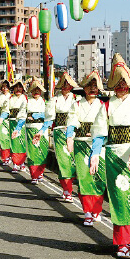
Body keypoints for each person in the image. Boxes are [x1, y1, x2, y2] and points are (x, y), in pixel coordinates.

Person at [90, 54, 130, 258]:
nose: (122, 86)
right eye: (118, 83)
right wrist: (95, 154)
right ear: (114, 85)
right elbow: (99, 133)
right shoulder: (106, 106)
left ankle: (129, 237)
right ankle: (122, 243)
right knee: (121, 200)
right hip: (114, 157)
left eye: (125, 83)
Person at [67, 70, 106, 224]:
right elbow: (71, 122)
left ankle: (96, 209)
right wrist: (70, 136)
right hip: (82, 144)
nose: (92, 89)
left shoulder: (103, 105)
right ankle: (87, 211)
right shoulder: (76, 105)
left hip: (99, 146)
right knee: (84, 178)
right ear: (84, 88)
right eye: (89, 86)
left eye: (95, 86)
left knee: (99, 178)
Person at [49, 72, 78, 202]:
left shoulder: (76, 99)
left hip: (72, 134)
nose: (66, 87)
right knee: (63, 162)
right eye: (64, 85)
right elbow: (50, 118)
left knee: (72, 162)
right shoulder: (54, 99)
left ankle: (69, 188)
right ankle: (66, 189)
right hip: (59, 132)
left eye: (68, 85)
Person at [25, 78, 51, 184]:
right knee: (32, 152)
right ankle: (34, 175)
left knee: (42, 152)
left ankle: (40, 173)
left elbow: (49, 116)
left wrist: (38, 115)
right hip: (30, 128)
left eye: (38, 89)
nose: (36, 92)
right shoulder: (26, 101)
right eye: (34, 89)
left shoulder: (45, 102)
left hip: (42, 129)